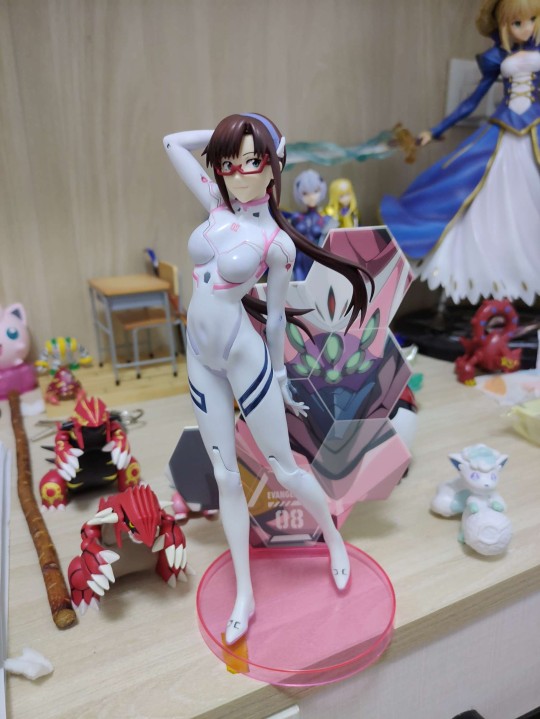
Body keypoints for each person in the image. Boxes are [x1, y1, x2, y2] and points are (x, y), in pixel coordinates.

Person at [163, 113, 372, 644]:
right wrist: (230, 131)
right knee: (225, 477)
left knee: (285, 468)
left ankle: (333, 539)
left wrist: (279, 374)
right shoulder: (215, 204)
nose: (238, 173)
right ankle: (245, 594)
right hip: (199, 357)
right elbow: (171, 143)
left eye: (252, 161)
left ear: (274, 165)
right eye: (228, 163)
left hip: (243, 356)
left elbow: (275, 319)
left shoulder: (276, 243)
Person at [380, 0, 540, 306]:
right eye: (516, 23)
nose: (525, 28)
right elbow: (471, 101)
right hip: (503, 131)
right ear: (504, 26)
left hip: (534, 132)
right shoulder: (498, 57)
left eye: (531, 19)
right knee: (469, 190)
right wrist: (435, 130)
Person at [286, 169, 336, 280]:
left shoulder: (326, 219)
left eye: (315, 191)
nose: (311, 196)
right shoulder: (296, 218)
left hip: (318, 260)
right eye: (305, 193)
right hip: (300, 260)